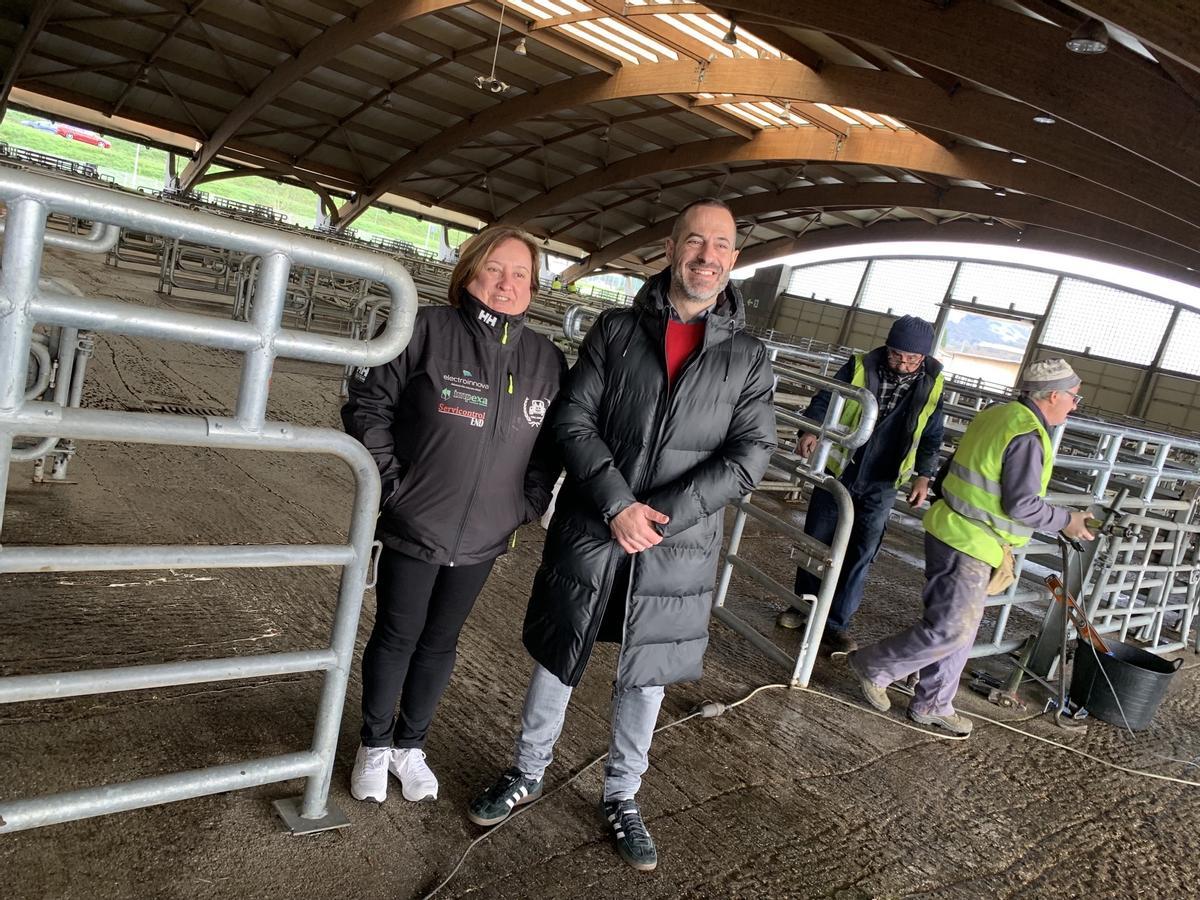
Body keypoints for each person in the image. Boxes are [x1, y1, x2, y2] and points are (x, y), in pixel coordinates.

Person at [466, 198, 776, 871]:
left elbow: (750, 456)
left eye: (720, 245)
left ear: (733, 259)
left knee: (647, 672)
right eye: (694, 241)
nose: (706, 256)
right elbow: (573, 420)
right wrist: (615, 505)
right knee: (560, 651)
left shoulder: (749, 359)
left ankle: (622, 793)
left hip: (674, 545)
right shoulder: (615, 329)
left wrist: (658, 515)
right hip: (594, 524)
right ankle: (527, 768)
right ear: (670, 249)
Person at [342, 226, 567, 803]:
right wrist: (393, 486)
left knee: (442, 640)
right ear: (469, 273)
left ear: (534, 289)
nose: (506, 284)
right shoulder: (425, 330)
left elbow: (550, 447)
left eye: (520, 274)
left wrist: (528, 503)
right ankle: (374, 743)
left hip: (487, 532)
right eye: (495, 269)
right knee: (397, 632)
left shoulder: (545, 359)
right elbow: (370, 403)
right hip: (416, 520)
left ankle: (411, 746)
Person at [845, 358, 1095, 736]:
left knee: (960, 627)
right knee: (951, 630)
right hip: (969, 540)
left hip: (961, 531)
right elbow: (1022, 504)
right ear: (1054, 395)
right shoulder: (1028, 434)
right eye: (1075, 398)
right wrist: (1067, 521)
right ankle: (875, 666)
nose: (1075, 406)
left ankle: (934, 702)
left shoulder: (999, 415)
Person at [776, 316, 945, 654]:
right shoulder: (859, 366)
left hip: (884, 479)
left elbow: (932, 434)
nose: (903, 364)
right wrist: (810, 429)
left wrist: (924, 476)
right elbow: (827, 399)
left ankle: (836, 623)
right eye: (897, 355)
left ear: (924, 357)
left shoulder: (931, 382)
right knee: (818, 540)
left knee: (862, 552)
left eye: (913, 359)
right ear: (887, 347)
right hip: (841, 468)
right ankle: (803, 606)